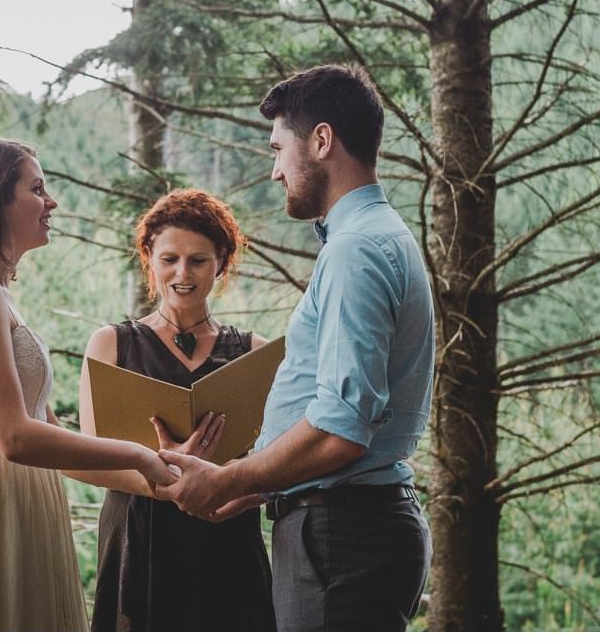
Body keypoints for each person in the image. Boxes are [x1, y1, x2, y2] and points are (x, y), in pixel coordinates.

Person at [155, 64, 435, 631]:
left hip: (340, 539)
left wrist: (227, 479)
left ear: (322, 140)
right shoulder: (375, 238)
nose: (276, 170)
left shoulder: (355, 250)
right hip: (349, 532)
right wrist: (257, 485)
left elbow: (341, 428)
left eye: (278, 149)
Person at [0, 137, 176, 632]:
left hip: (18, 498)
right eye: (37, 188)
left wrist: (162, 482)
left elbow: (57, 440)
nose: (52, 202)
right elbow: (13, 437)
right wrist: (138, 455)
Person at [79, 189, 277, 631]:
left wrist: (235, 484)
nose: (182, 273)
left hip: (224, 533)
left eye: (198, 261)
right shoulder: (111, 343)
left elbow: (274, 457)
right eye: (169, 259)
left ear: (222, 261)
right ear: (148, 257)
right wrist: (166, 477)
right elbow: (87, 457)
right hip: (138, 534)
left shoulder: (253, 352)